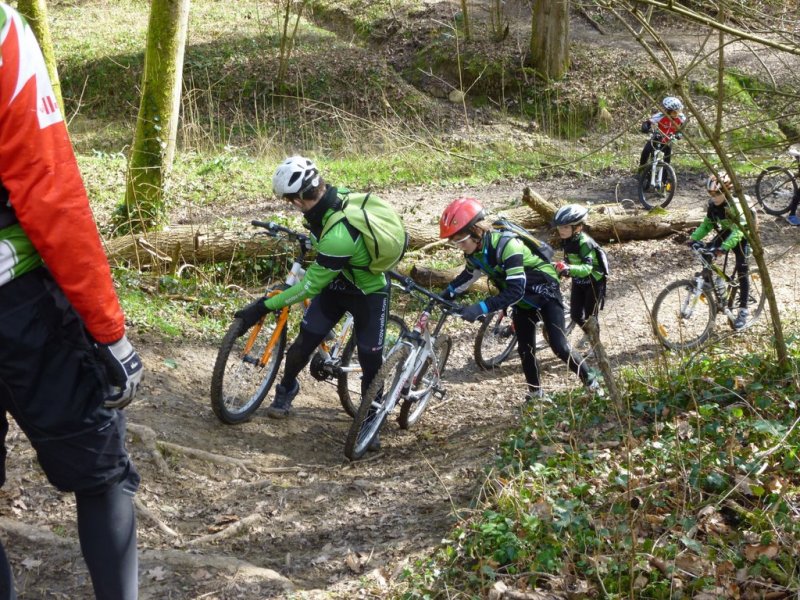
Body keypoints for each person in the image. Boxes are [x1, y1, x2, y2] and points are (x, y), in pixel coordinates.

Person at [0, 4, 142, 598]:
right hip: (20, 306)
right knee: (103, 475)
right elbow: (49, 190)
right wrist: (108, 329)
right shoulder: (2, 29)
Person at [233, 156, 391, 446]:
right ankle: (287, 387)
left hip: (369, 293)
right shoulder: (330, 200)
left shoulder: (339, 236)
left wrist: (261, 306)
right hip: (336, 286)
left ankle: (371, 420)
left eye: (289, 200)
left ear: (297, 200)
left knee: (371, 361)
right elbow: (323, 238)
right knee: (302, 345)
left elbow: (307, 287)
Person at [438, 198, 600, 400]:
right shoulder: (475, 253)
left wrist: (480, 308)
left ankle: (592, 383)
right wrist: (446, 294)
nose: (458, 245)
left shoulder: (508, 246)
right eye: (454, 241)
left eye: (460, 239)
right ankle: (536, 394)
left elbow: (514, 291)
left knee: (559, 346)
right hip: (523, 299)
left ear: (476, 231)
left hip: (544, 292)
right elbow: (468, 275)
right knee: (525, 349)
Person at [688, 172, 751, 330]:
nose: (713, 197)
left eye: (717, 193)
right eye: (710, 193)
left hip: (743, 235)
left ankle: (743, 310)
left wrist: (723, 248)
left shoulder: (734, 205)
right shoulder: (713, 206)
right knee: (706, 252)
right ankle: (711, 284)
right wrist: (693, 239)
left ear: (726, 191)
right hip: (728, 232)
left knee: (742, 269)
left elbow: (739, 231)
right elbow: (707, 225)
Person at [552, 204, 607, 345]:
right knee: (575, 315)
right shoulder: (568, 240)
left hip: (594, 282)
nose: (561, 230)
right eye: (559, 227)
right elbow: (569, 260)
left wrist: (569, 268)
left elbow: (587, 268)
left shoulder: (585, 243)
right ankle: (589, 334)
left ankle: (597, 345)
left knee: (591, 317)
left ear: (578, 227)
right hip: (579, 281)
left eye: (565, 227)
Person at [639, 96, 685, 170]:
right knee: (646, 151)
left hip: (669, 140)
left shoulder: (681, 118)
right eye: (674, 112)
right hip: (658, 137)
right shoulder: (660, 116)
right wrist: (645, 127)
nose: (677, 113)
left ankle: (664, 178)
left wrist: (679, 134)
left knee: (667, 160)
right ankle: (641, 170)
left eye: (678, 111)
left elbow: (682, 129)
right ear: (668, 111)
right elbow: (648, 122)